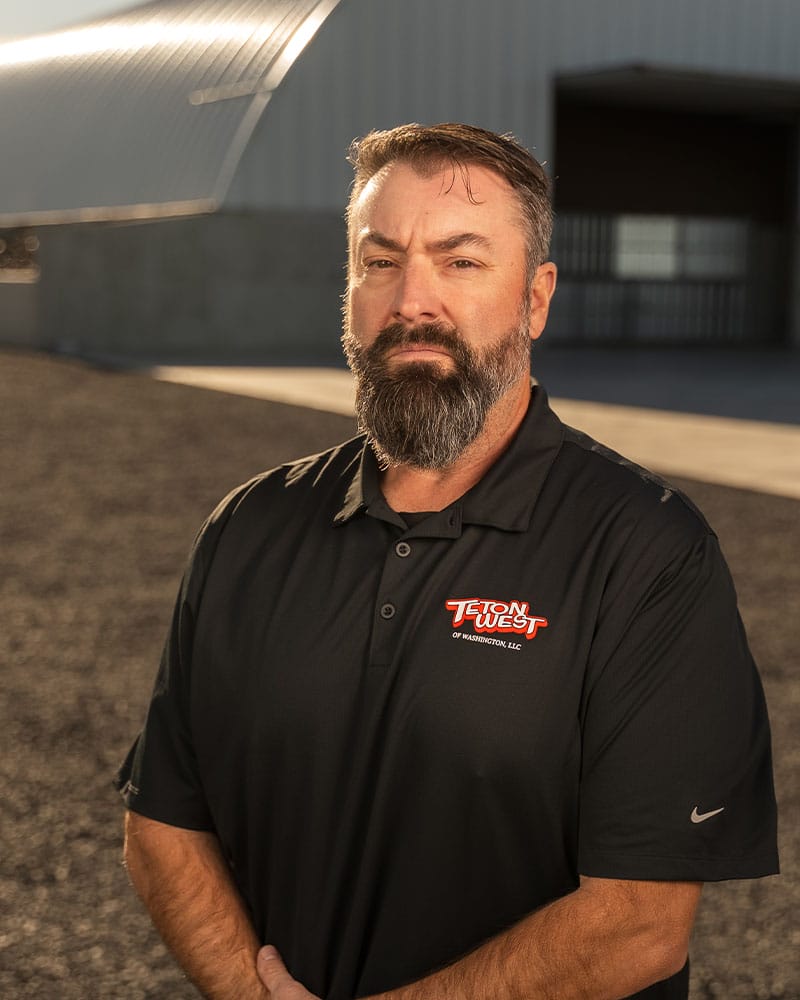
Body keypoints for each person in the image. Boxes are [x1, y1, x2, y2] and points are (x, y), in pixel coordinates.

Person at [116, 123, 778, 1000]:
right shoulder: (250, 526)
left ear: (535, 299)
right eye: (380, 261)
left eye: (461, 262)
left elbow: (640, 923)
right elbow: (162, 821)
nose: (412, 301)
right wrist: (247, 987)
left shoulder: (646, 549)